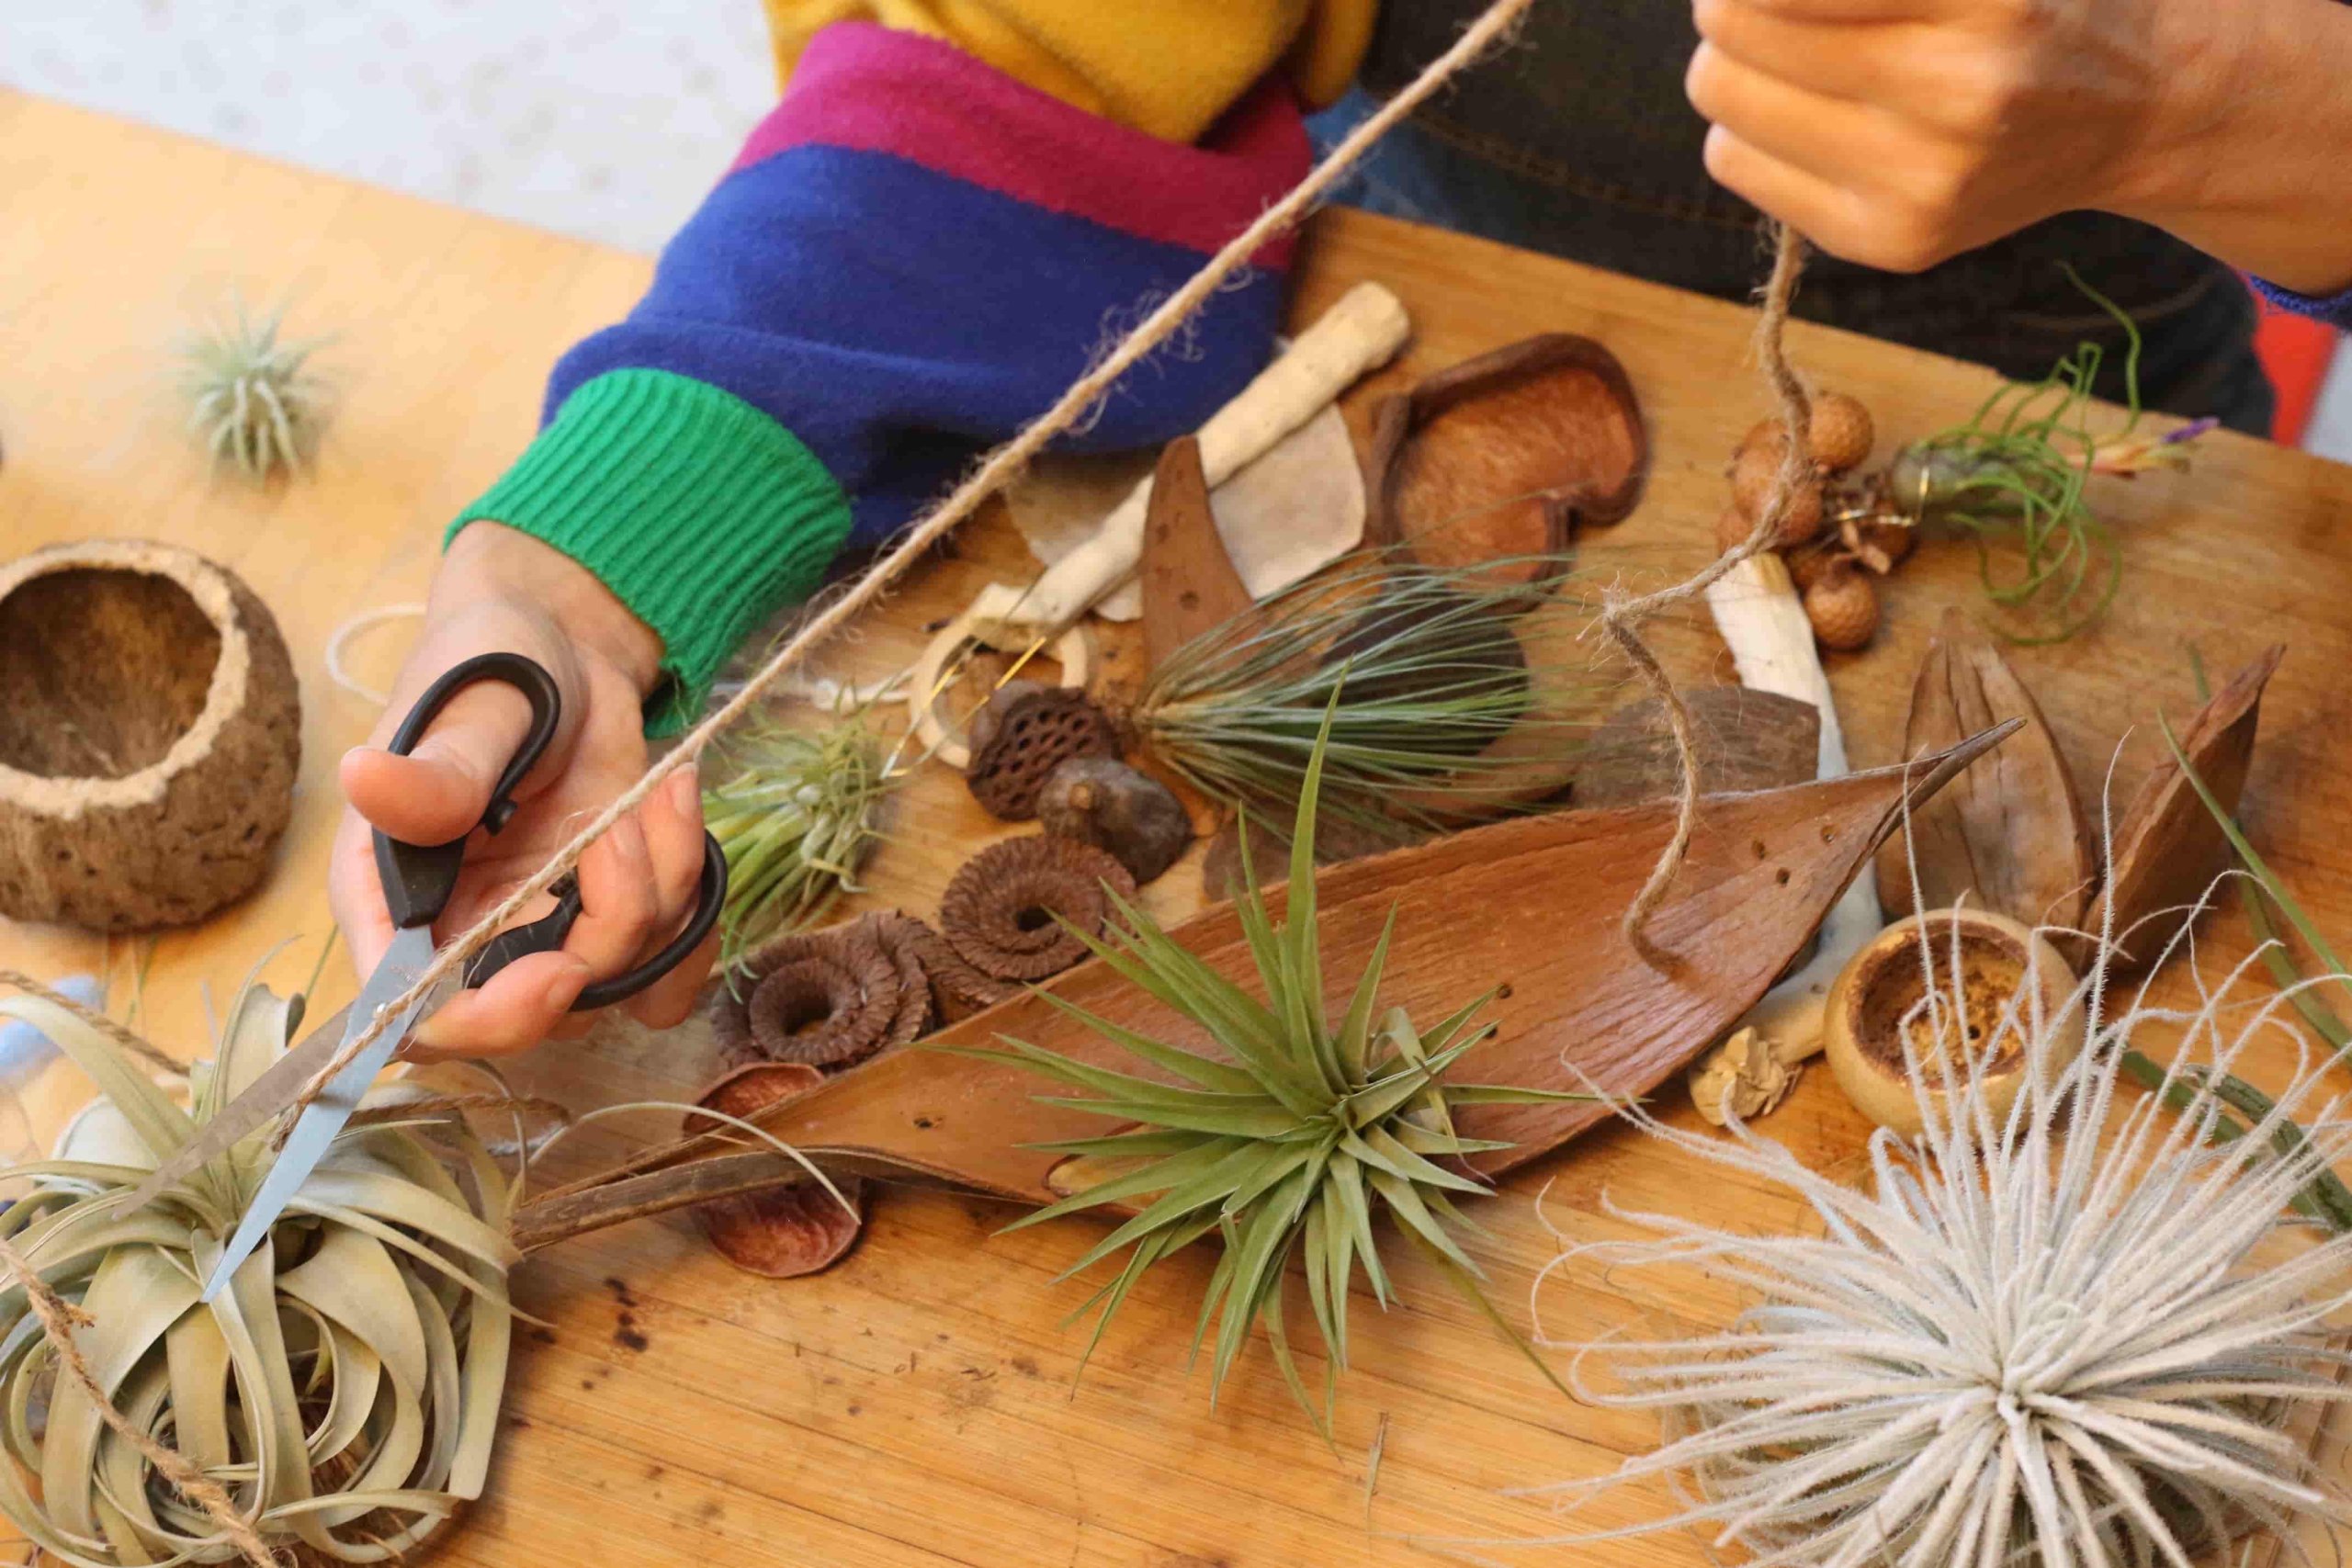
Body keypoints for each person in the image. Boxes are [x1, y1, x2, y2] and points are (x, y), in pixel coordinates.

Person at [334, 0, 2352, 1057]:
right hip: (1423, 377)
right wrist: (573, 584)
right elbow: (1013, 62)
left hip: (2065, 420)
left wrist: (2219, 100)